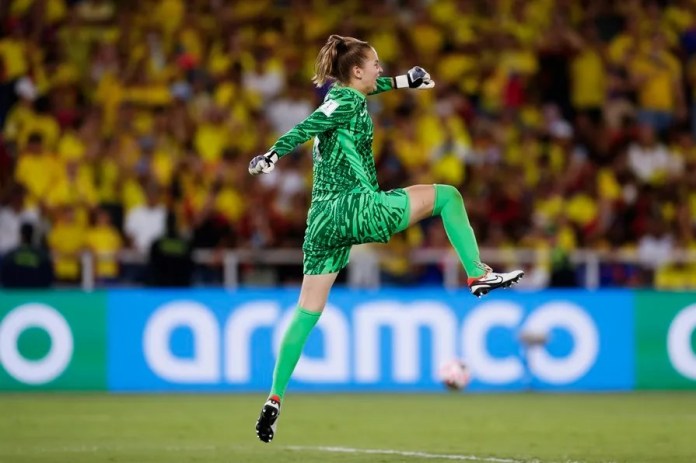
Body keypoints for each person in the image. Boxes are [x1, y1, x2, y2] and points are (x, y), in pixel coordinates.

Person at [248, 34, 524, 443]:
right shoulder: (347, 102)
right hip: (357, 208)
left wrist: (401, 82)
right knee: (448, 196)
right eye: (375, 64)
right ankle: (476, 273)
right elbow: (309, 125)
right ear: (356, 71)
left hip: (322, 220)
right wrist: (272, 153)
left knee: (306, 311)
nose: (380, 69)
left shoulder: (345, 92)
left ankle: (274, 399)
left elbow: (356, 95)